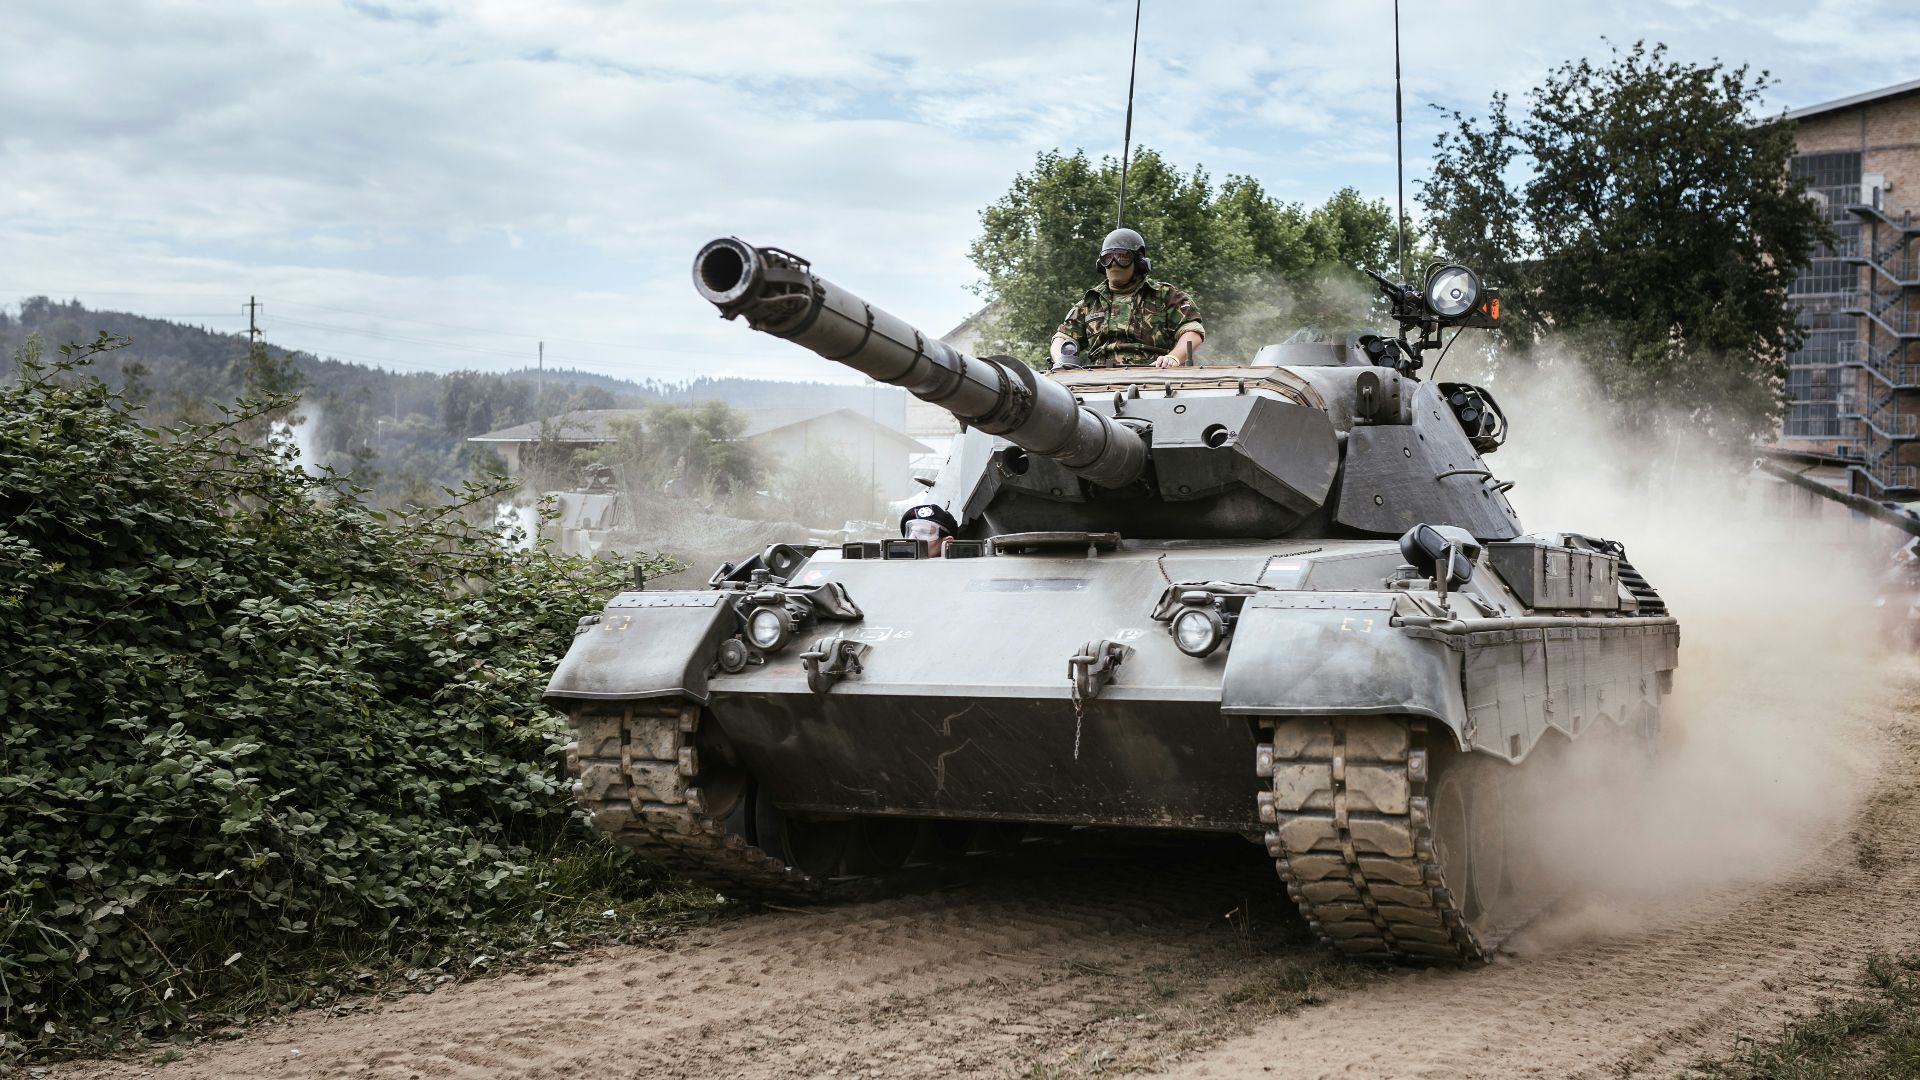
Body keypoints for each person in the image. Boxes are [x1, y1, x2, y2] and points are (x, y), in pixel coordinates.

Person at [1049, 227, 1205, 369]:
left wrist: (1174, 357)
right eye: (1107, 258)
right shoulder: (1090, 303)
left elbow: (1191, 332)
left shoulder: (1165, 296)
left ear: (1138, 263)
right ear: (1101, 263)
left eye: (1122, 257)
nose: (1113, 263)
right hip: (1098, 379)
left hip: (1155, 375)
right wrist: (1061, 361)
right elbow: (1063, 339)